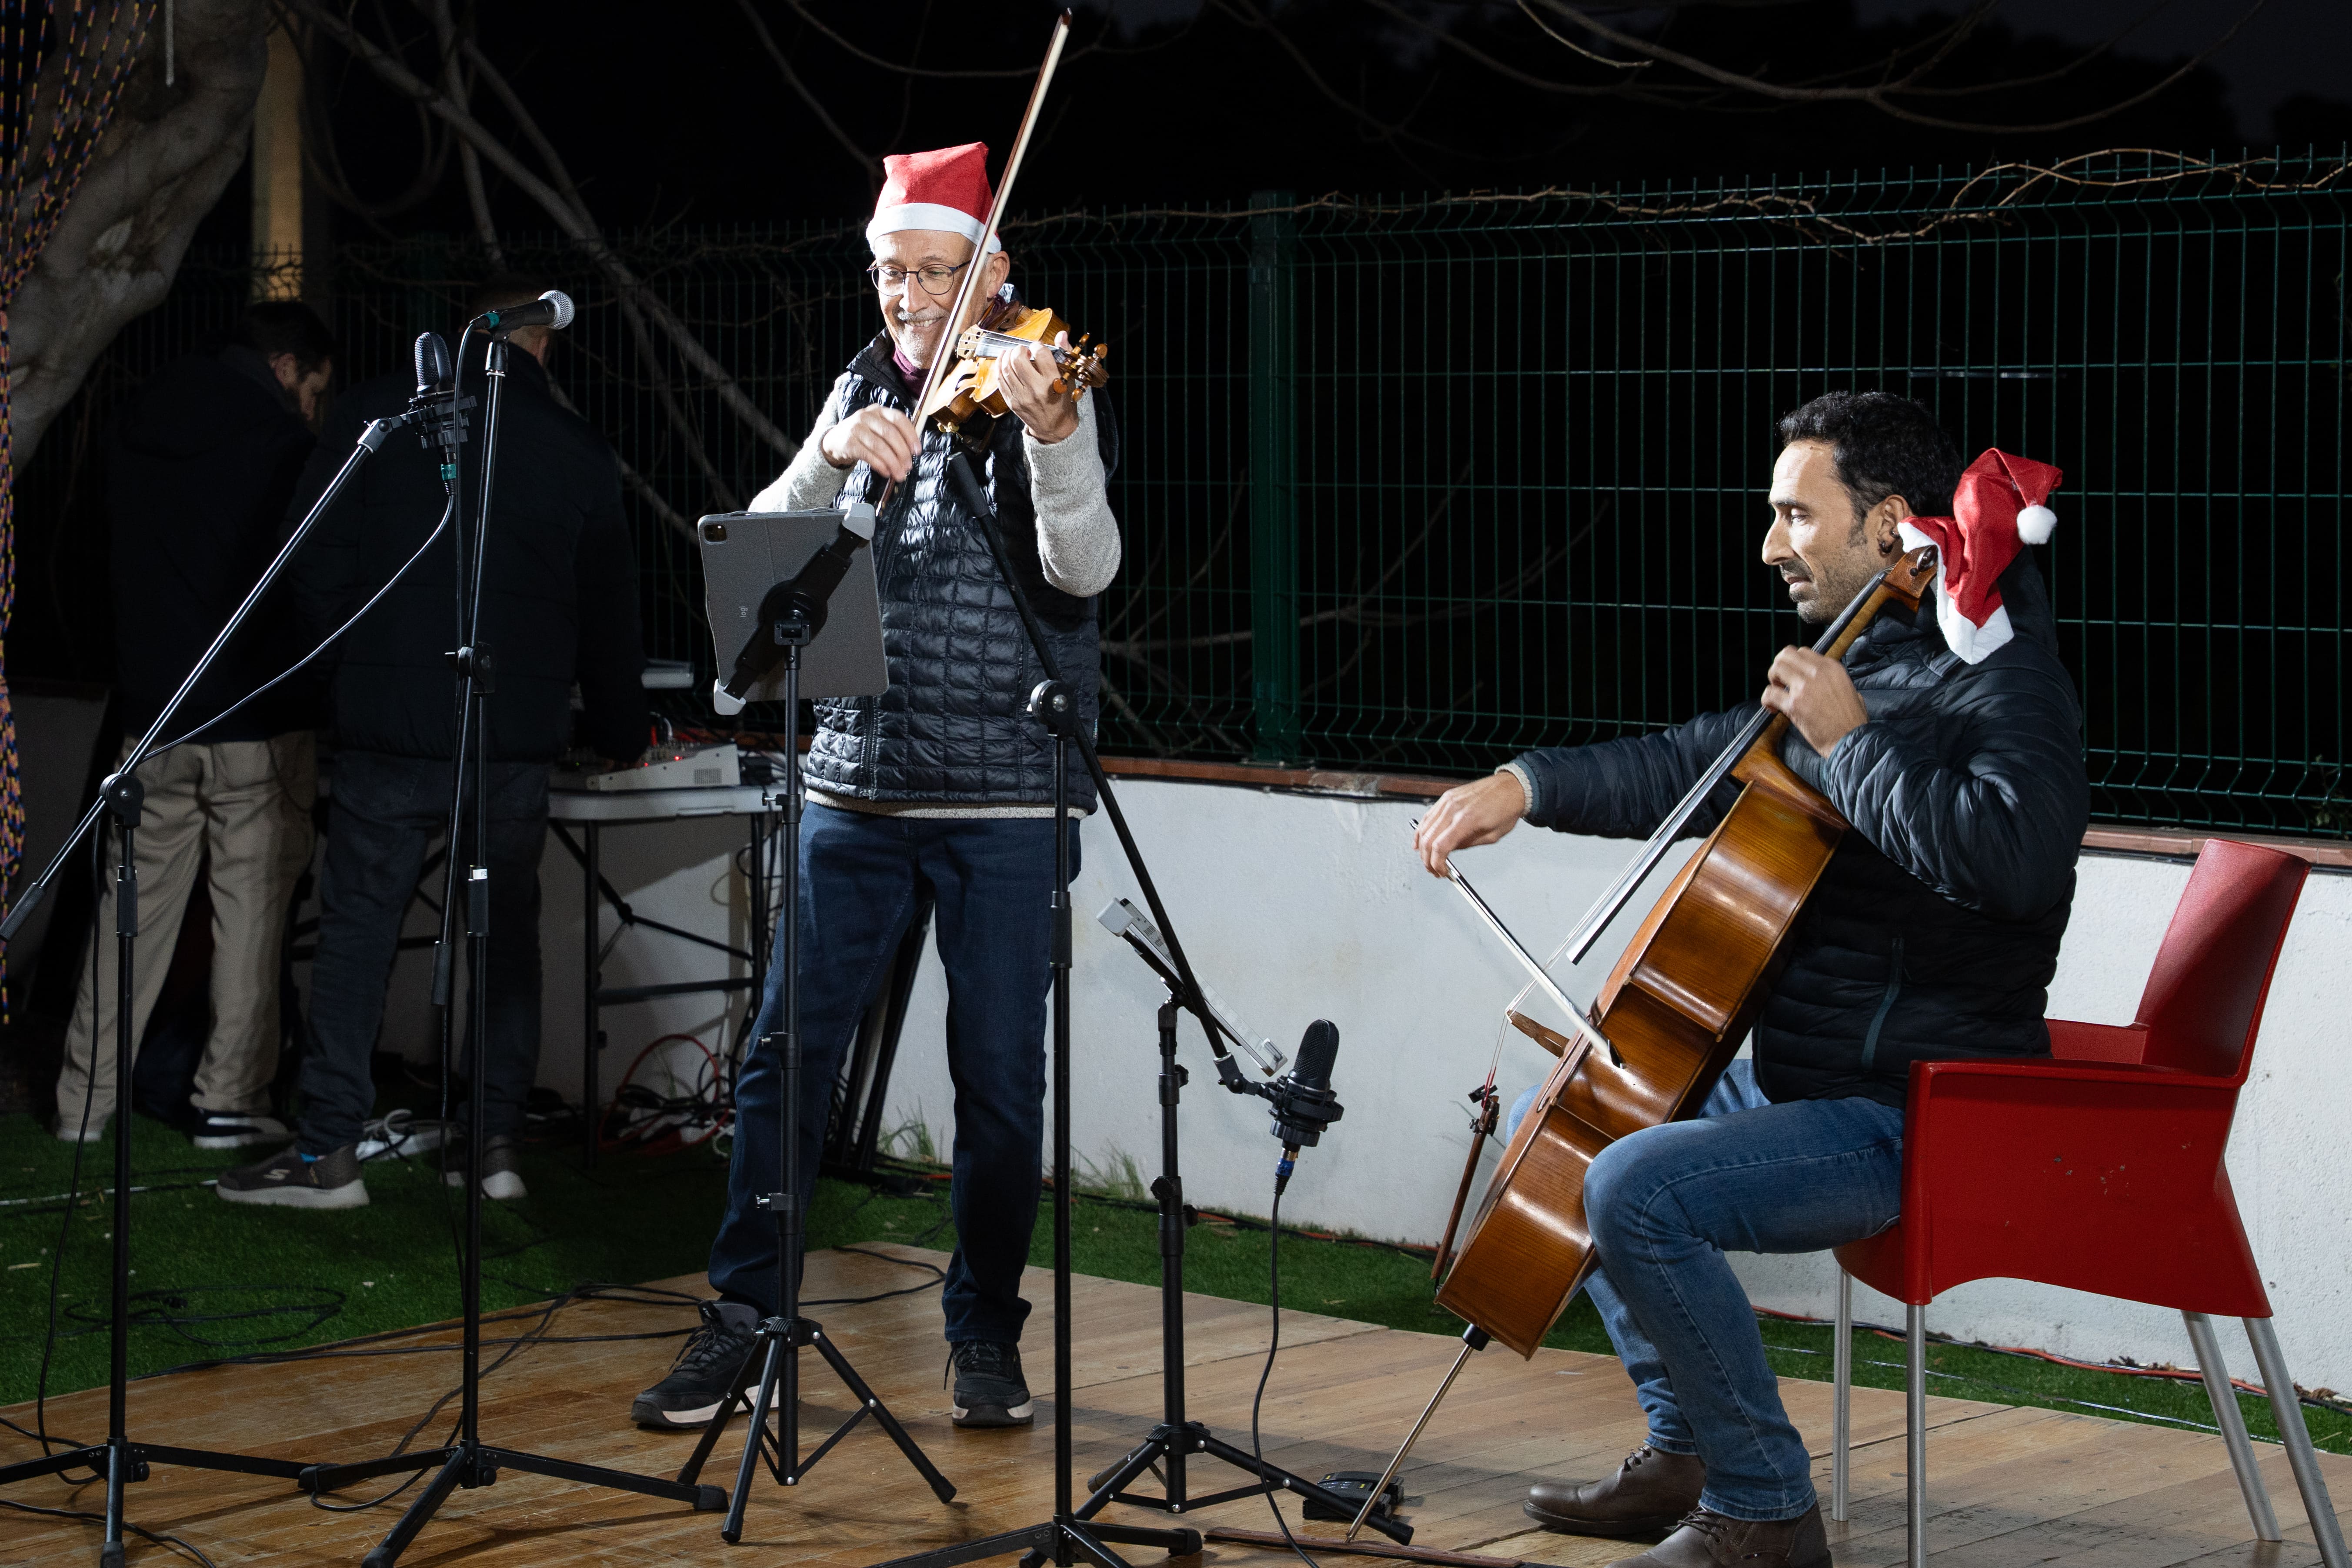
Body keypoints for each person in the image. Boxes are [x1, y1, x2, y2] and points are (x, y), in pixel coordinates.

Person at [1411, 393, 2087, 1568]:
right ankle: (1685, 1447)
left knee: (1637, 1186)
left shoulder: (2006, 673)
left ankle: (1768, 1509)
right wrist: (1521, 785)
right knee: (1574, 1122)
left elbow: (2016, 863)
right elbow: (1698, 762)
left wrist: (1850, 743)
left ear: (1886, 523)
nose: (1770, 544)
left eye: (1793, 515)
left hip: (1917, 1105)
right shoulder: (1869, 648)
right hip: (1814, 1078)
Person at [628, 143, 1121, 1433]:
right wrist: (828, 454)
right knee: (781, 1062)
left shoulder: (1040, 377)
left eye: (932, 272)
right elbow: (763, 555)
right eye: (889, 272)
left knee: (1000, 1089)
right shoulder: (862, 380)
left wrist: (1053, 435)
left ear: (994, 269)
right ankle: (743, 1323)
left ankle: (984, 1331)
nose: (905, 296)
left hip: (1007, 799)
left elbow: (1085, 570)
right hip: (853, 784)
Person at [217, 275, 648, 1211]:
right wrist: (615, 731)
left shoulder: (376, 414)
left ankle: (328, 1151)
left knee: (360, 934)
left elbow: (313, 565)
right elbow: (611, 614)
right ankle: (490, 1144)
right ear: (541, 349)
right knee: (503, 937)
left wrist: (352, 679)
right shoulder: (575, 449)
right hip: (512, 743)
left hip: (385, 734)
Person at [53, 301, 336, 1150]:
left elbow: (92, 558)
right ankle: (229, 1097)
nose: (316, 407)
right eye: (315, 388)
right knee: (251, 913)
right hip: (255, 719)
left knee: (125, 920)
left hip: (152, 719)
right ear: (285, 366)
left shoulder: (133, 425)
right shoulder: (283, 446)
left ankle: (83, 1105)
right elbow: (302, 586)